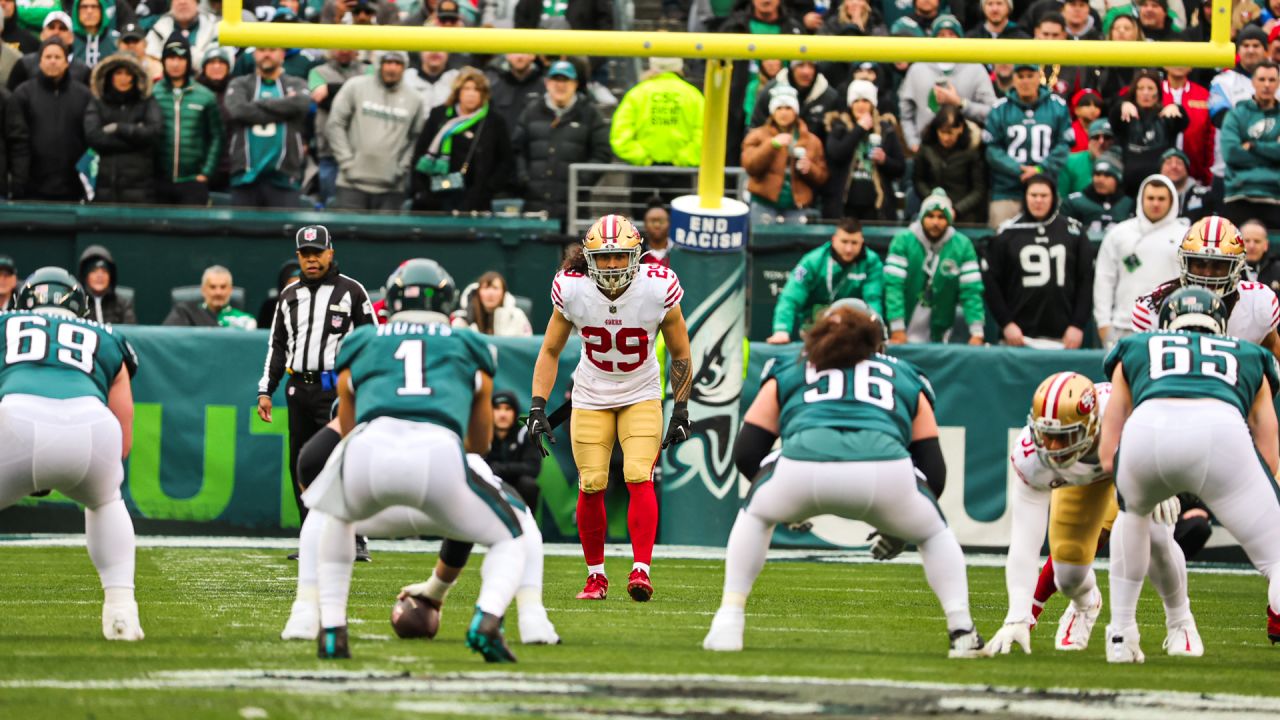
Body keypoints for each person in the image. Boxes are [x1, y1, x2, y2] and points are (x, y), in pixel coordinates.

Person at [280, 261, 559, 648]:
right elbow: (478, 444)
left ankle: (315, 619)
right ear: (449, 302)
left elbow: (345, 428)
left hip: (369, 466)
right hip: (440, 467)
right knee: (517, 524)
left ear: (390, 300)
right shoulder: (470, 343)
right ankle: (527, 618)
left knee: (324, 514)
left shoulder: (362, 342)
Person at [702, 304, 985, 658]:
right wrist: (901, 527)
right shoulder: (905, 375)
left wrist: (780, 504)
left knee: (756, 513)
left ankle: (729, 618)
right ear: (878, 340)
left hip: (801, 466)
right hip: (885, 471)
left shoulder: (789, 369)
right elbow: (933, 471)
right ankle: (962, 629)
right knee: (935, 533)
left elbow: (747, 452)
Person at [1099, 286, 1280, 661]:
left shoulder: (1138, 347)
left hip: (1146, 433)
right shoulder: (1250, 353)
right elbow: (1267, 439)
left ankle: (1121, 633)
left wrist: (1132, 483)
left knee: (1133, 518)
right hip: (1221, 433)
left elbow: (1111, 432)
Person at [526, 215, 694, 603]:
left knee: (638, 474)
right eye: (605, 258)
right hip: (590, 394)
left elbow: (681, 352)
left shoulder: (658, 287)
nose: (614, 265)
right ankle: (596, 577)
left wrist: (681, 408)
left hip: (641, 391)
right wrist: (538, 405)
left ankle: (641, 570)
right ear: (589, 258)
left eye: (620, 256)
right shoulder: (572, 289)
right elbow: (550, 350)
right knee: (592, 482)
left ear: (635, 255)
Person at [985, 372, 1196, 656]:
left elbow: (1176, 437)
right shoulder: (1032, 456)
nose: (1054, 448)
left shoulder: (1131, 419)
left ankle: (1180, 620)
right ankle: (1086, 602)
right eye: (1047, 435)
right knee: (1068, 575)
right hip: (1085, 478)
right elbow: (1024, 542)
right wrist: (1017, 617)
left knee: (1157, 534)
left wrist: (1163, 479)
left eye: (1065, 436)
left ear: (1092, 424)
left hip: (1131, 462)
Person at [0, 267, 142, 641]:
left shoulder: (4, 324)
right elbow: (123, 434)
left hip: (17, 416)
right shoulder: (107, 336)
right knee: (107, 502)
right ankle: (121, 610)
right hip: (93, 426)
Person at [257, 225, 376, 532]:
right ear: (298, 256)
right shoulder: (289, 295)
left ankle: (354, 534)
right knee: (300, 461)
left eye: (317, 253)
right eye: (305, 254)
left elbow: (371, 342)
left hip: (335, 389)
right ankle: (310, 533)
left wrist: (365, 386)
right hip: (298, 387)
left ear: (330, 253)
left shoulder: (352, 291)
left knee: (341, 459)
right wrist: (266, 390)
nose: (312, 259)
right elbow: (278, 345)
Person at [1131, 216, 1280, 356]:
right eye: (1199, 264)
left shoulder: (1258, 303)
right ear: (1185, 263)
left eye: (1218, 265)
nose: (1208, 274)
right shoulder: (1155, 307)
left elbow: (1274, 356)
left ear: (1236, 267)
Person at [983, 175, 1093, 349]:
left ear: (1054, 198)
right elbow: (991, 283)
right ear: (1025, 197)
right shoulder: (1007, 233)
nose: (1038, 201)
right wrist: (1006, 323)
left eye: (1044, 196)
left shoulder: (1074, 232)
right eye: (1033, 195)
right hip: (1018, 337)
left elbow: (1086, 281)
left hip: (1064, 338)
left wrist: (1078, 325)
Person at [511, 59, 611, 228]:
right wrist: (524, 178)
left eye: (566, 80)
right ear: (547, 83)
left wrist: (579, 180)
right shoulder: (531, 111)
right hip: (534, 205)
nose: (560, 85)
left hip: (573, 206)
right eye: (556, 80)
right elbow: (516, 150)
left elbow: (602, 153)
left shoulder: (590, 113)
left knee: (571, 253)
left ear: (575, 84)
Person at [1092, 174, 1186, 348]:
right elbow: (1104, 279)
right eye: (1150, 198)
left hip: (1172, 328)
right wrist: (1103, 322)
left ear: (1172, 201)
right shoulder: (1119, 233)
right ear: (1141, 199)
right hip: (1125, 326)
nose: (1155, 203)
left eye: (1161, 199)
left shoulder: (1186, 236)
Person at [884, 189, 987, 345]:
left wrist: (977, 332)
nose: (935, 222)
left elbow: (971, 291)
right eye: (930, 216)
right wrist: (897, 328)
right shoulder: (903, 241)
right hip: (900, 329)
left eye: (941, 217)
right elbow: (893, 287)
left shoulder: (962, 245)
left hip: (939, 332)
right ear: (921, 217)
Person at [326, 50, 424, 212]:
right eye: (388, 62)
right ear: (379, 64)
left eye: (397, 64)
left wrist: (401, 168)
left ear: (404, 67)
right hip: (350, 184)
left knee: (384, 236)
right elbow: (335, 124)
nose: (392, 68)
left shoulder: (415, 98)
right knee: (348, 235)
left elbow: (417, 138)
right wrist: (347, 162)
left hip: (392, 186)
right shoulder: (355, 86)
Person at [983, 63, 1074, 230]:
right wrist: (1019, 170)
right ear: (1013, 79)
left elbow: (1064, 145)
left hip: (1047, 190)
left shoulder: (1057, 106)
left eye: (1029, 76)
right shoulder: (1000, 108)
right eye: (1020, 76)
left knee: (1051, 238)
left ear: (1038, 77)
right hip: (1008, 190)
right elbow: (991, 149)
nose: (1025, 81)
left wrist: (1039, 170)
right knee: (1002, 240)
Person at [768, 217, 885, 344]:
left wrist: (877, 331)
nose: (849, 249)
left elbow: (873, 300)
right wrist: (781, 329)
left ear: (862, 241)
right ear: (834, 240)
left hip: (852, 331)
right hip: (815, 328)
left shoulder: (872, 263)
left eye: (854, 243)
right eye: (844, 241)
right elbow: (790, 297)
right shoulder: (811, 261)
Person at [411, 68, 512, 213]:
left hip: (476, 199)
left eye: (477, 89)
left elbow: (506, 162)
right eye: (466, 88)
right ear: (458, 91)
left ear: (483, 94)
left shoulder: (494, 121)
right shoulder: (439, 115)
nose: (471, 94)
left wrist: (487, 190)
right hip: (436, 196)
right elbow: (420, 153)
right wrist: (421, 190)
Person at [610, 57, 704, 210]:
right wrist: (680, 160)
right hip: (681, 173)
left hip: (643, 173)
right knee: (677, 226)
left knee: (642, 228)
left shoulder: (637, 94)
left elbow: (620, 136)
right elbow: (705, 136)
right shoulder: (693, 96)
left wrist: (645, 159)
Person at [5, 38, 93, 201]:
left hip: (73, 187)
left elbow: (89, 139)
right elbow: (17, 141)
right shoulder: (23, 94)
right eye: (48, 57)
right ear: (40, 61)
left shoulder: (84, 95)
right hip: (32, 188)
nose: (53, 61)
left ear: (67, 62)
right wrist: (19, 181)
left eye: (58, 57)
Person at [225, 45, 309, 209]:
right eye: (262, 50)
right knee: (242, 230)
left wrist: (257, 104)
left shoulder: (296, 83)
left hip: (284, 176)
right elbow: (238, 110)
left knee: (285, 231)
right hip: (245, 175)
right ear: (255, 54)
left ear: (282, 54)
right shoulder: (240, 83)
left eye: (272, 49)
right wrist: (284, 108)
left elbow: (302, 103)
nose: (267, 54)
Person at [741, 86, 829, 225]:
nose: (783, 113)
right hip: (763, 204)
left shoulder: (812, 141)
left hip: (796, 208)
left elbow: (822, 177)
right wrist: (771, 145)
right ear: (772, 112)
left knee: (795, 245)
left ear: (795, 112)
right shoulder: (757, 135)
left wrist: (809, 168)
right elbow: (750, 166)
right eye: (779, 108)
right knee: (759, 244)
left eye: (788, 108)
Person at [153, 33, 222, 206]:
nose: (175, 64)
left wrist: (206, 173)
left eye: (181, 58)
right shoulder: (152, 93)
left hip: (193, 181)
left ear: (188, 61)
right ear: (163, 61)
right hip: (158, 180)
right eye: (171, 58)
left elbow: (217, 136)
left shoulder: (205, 96)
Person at [822, 78, 905, 221]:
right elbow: (836, 154)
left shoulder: (886, 129)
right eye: (856, 101)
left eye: (865, 101)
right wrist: (859, 129)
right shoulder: (838, 126)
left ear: (873, 104)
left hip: (877, 208)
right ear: (850, 104)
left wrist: (884, 160)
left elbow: (900, 168)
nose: (861, 105)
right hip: (844, 206)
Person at [84, 51, 161, 204]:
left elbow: (154, 133)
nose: (123, 78)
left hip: (141, 186)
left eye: (128, 74)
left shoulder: (147, 102)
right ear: (110, 76)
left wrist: (119, 129)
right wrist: (136, 138)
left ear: (135, 77)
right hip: (105, 183)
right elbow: (94, 136)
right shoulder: (98, 102)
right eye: (119, 73)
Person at [897, 37, 996, 154]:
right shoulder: (917, 69)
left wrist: (960, 103)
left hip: (966, 152)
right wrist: (913, 142)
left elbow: (994, 113)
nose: (946, 39)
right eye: (941, 34)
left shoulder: (976, 68)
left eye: (952, 34)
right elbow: (906, 114)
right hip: (925, 150)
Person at [1208, 26, 1269, 197]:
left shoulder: (1277, 82)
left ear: (1266, 50)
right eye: (1246, 45)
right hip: (1228, 172)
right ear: (1238, 49)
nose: (1250, 50)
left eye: (1256, 45)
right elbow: (1221, 119)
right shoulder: (1222, 81)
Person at [1110, 70, 1188, 199]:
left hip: (1160, 187)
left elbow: (1184, 122)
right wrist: (1121, 105)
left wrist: (1177, 108)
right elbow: (1113, 119)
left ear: (1158, 92)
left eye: (1150, 88)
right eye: (1141, 88)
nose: (1145, 93)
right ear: (1135, 91)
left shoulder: (1166, 116)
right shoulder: (1126, 115)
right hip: (1129, 188)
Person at [1221, 60, 1280, 228]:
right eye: (1262, 79)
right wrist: (1273, 152)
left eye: (1272, 80)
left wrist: (1253, 146)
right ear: (1253, 82)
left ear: (1278, 82)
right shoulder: (1236, 115)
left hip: (1275, 196)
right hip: (1240, 195)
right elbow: (1232, 153)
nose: (1267, 85)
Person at [308, 49, 369, 208]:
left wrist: (330, 89)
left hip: (362, 150)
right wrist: (356, 94)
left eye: (348, 46)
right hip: (329, 149)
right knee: (330, 203)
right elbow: (318, 97)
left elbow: (369, 98)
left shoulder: (368, 69)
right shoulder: (317, 71)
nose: (344, 51)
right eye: (339, 46)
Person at [911, 105, 987, 225]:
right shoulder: (926, 149)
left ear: (960, 128)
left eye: (950, 133)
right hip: (931, 212)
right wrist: (935, 202)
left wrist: (956, 210)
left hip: (964, 216)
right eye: (942, 132)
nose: (946, 138)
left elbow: (978, 190)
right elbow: (919, 180)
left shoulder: (972, 152)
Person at [486, 390, 542, 509]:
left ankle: (525, 525)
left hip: (517, 489)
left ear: (515, 412)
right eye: (497, 408)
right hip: (488, 485)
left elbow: (533, 468)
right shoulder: (482, 435)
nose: (502, 414)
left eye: (508, 409)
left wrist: (500, 469)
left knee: (528, 484)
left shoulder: (525, 434)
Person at [162, 265, 256, 329]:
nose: (218, 292)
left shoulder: (245, 320)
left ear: (230, 290)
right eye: (212, 287)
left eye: (223, 287)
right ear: (203, 290)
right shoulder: (186, 313)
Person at [1061, 155, 1135, 236]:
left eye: (1107, 175)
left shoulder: (1129, 204)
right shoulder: (1073, 202)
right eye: (1097, 174)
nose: (1100, 180)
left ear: (1118, 178)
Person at [452, 271, 533, 336]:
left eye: (495, 288)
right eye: (486, 288)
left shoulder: (517, 316)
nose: (490, 293)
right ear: (478, 293)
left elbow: (527, 343)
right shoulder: (461, 318)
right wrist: (466, 320)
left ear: (503, 293)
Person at [144, 0, 218, 68]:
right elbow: (149, 58)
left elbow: (218, 60)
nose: (182, 2)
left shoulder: (214, 27)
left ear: (197, 2)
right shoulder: (158, 29)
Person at [78, 245, 135, 324]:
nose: (100, 276)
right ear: (85, 275)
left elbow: (130, 332)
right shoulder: (78, 303)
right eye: (94, 271)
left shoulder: (123, 304)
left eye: (104, 271)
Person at [1058, 118, 1113, 197]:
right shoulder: (1070, 162)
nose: (1101, 141)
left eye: (1107, 137)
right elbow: (1062, 198)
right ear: (1089, 140)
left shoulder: (1121, 163)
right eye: (1096, 137)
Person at [1160, 147, 1217, 223]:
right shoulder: (1151, 196)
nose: (1174, 166)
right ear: (1160, 169)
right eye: (1168, 163)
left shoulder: (1204, 196)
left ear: (1187, 170)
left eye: (1179, 163)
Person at [71, 0, 116, 68]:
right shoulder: (69, 39)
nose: (89, 11)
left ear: (102, 9)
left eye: (94, 6)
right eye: (84, 7)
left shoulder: (115, 39)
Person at [1242, 219, 1280, 292]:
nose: (1251, 246)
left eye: (1257, 241)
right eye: (1247, 240)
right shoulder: (1228, 271)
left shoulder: (1278, 271)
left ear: (1266, 245)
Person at [641, 200, 672, 267]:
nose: (657, 225)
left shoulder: (679, 252)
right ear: (645, 224)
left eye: (661, 221)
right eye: (652, 221)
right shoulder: (637, 253)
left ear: (669, 224)